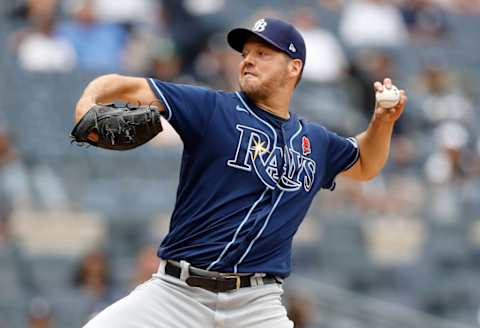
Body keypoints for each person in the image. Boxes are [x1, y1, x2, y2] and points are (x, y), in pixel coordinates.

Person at [74, 17, 407, 328]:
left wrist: (382, 122)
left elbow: (366, 164)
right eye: (245, 53)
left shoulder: (316, 141)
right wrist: (87, 102)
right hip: (176, 295)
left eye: (263, 53)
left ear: (294, 68)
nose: (248, 59)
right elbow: (122, 85)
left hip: (257, 305)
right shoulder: (211, 109)